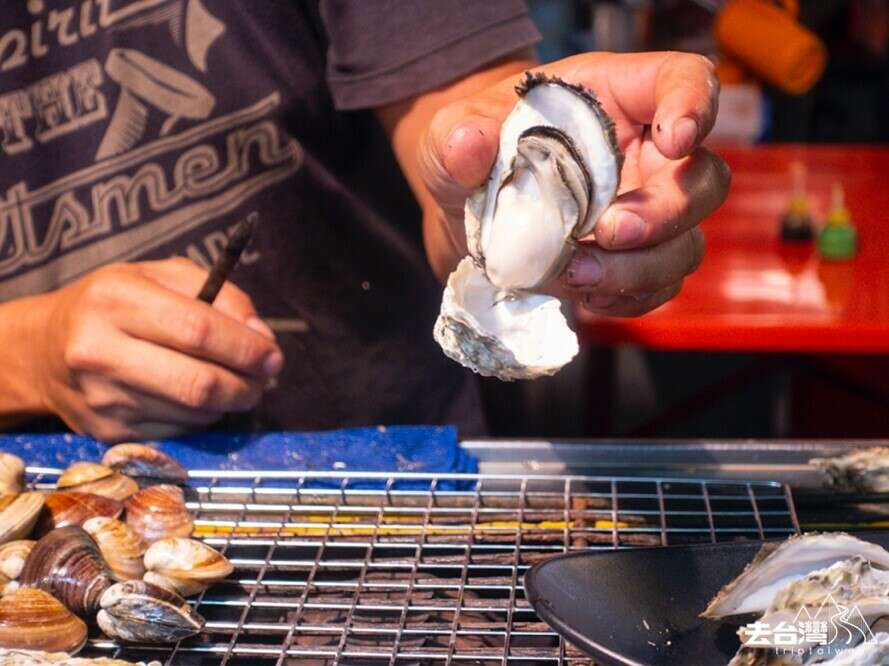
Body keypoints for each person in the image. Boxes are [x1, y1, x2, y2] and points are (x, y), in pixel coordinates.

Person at [0, 1, 729, 442]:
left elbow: (456, 131)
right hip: (47, 508)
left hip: (388, 483)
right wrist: (29, 352)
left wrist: (492, 193)